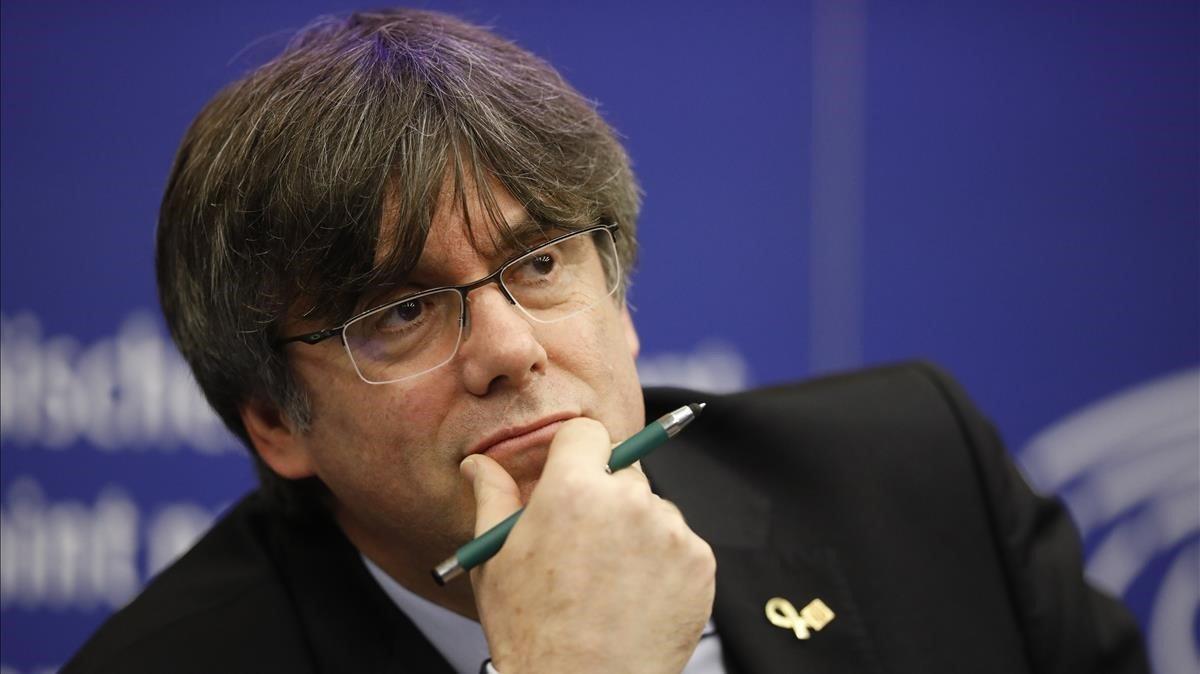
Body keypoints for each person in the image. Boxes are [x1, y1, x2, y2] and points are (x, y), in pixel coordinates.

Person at [64, 8, 1148, 673]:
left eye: (539, 265)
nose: (509, 348)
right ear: (271, 419)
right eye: (397, 311)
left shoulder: (917, 470)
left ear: (619, 298)